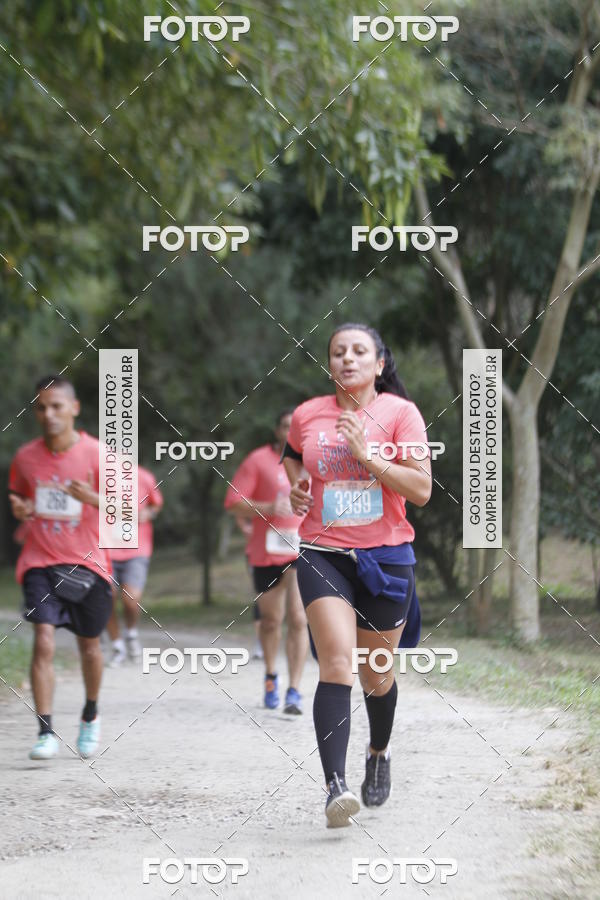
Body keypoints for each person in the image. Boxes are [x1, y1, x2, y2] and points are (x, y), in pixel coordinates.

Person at [282, 324, 432, 828]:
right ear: (330, 363)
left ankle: (378, 751)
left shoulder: (400, 414)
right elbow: (291, 457)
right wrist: (297, 488)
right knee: (337, 664)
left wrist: (367, 455)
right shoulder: (308, 413)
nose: (347, 359)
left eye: (359, 351)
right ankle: (335, 787)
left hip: (386, 558)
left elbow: (421, 490)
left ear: (379, 363)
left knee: (376, 674)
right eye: (338, 352)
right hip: (322, 552)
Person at [8, 375, 113, 761]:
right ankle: (45, 731)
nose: (48, 414)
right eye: (41, 407)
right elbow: (20, 497)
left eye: (56, 406)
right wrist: (21, 508)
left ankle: (90, 713)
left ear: (74, 408)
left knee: (90, 646)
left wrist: (94, 498)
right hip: (40, 561)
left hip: (89, 564)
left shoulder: (100, 455)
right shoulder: (25, 457)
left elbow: (132, 512)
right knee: (44, 638)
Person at [224, 409, 308, 713]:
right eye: (285, 426)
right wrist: (269, 507)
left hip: (303, 550)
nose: (290, 432)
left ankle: (294, 690)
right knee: (271, 621)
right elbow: (233, 503)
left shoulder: (313, 462)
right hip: (266, 552)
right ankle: (271, 675)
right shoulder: (258, 460)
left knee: (298, 618)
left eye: (295, 427)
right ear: (277, 431)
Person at [106, 466, 163, 666]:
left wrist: (148, 513)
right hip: (106, 549)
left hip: (137, 550)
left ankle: (131, 633)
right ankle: (117, 646)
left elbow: (156, 505)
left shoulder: (144, 476)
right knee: (107, 597)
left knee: (131, 599)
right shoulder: (99, 475)